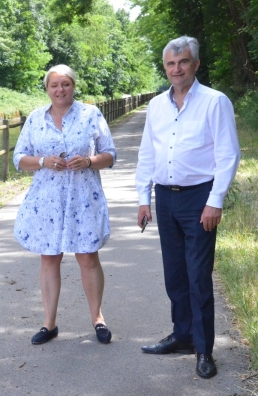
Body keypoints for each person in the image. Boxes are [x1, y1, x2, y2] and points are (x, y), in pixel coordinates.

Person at [135, 36, 241, 379]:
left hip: (199, 198)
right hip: (165, 198)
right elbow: (147, 154)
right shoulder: (156, 106)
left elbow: (228, 154)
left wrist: (215, 201)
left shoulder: (215, 102)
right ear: (165, 67)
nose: (176, 69)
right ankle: (181, 335)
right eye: (170, 63)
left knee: (198, 277)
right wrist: (143, 198)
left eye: (182, 62)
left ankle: (203, 349)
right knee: (175, 275)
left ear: (195, 64)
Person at [13, 64, 117, 346]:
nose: (60, 89)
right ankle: (49, 323)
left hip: (83, 197)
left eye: (66, 84)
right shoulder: (36, 118)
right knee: (49, 257)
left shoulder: (91, 115)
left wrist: (89, 161)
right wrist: (43, 161)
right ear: (47, 89)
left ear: (73, 86)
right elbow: (19, 158)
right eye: (54, 85)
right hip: (47, 200)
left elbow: (110, 153)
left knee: (87, 257)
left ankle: (97, 318)